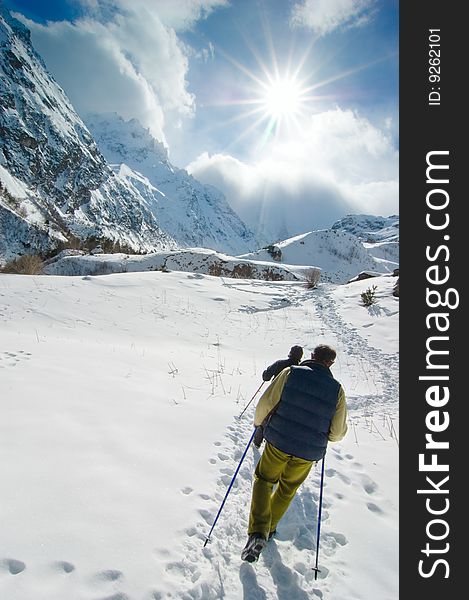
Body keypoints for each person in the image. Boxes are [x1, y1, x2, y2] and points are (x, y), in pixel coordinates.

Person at [241, 344, 348, 563]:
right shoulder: (337, 390)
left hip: (279, 441)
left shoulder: (291, 373)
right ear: (331, 363)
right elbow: (337, 432)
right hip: (308, 452)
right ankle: (269, 529)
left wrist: (258, 423)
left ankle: (258, 532)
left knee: (264, 480)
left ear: (312, 356)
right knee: (288, 488)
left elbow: (267, 402)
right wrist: (326, 437)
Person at [253, 345, 304, 448]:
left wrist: (266, 372)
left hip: (274, 395)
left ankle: (257, 440)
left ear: (290, 353)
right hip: (290, 401)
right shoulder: (301, 370)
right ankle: (273, 444)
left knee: (266, 418)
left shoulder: (280, 363)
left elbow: (266, 377)